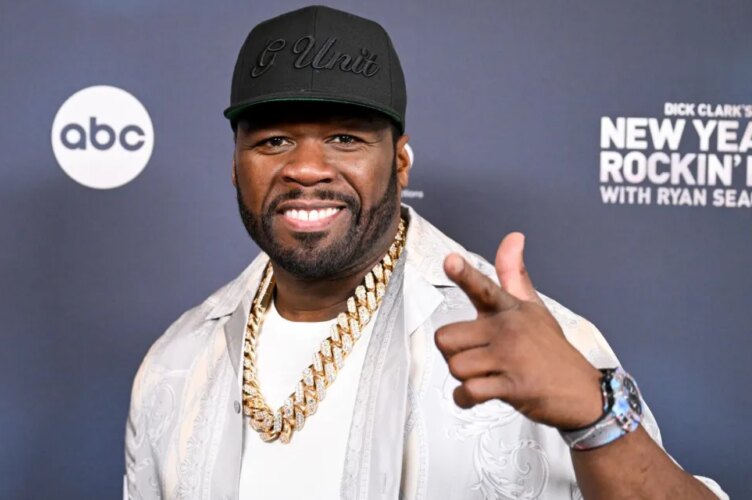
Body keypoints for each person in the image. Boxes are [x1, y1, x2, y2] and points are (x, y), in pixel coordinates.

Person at [124, 5, 727, 499]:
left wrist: (596, 416)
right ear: (235, 166)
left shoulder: (533, 343)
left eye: (345, 138)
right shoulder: (177, 363)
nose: (306, 168)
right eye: (274, 141)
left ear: (401, 160)